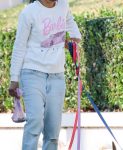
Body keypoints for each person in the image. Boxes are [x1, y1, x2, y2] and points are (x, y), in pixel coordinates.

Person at [8, 0, 81, 149]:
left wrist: (70, 40)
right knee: (35, 121)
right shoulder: (29, 13)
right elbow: (19, 46)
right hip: (32, 73)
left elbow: (74, 33)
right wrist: (14, 79)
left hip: (57, 76)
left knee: (53, 131)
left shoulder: (63, 6)